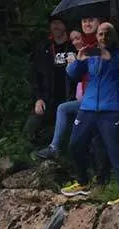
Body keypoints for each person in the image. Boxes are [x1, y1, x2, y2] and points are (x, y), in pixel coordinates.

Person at [60, 21, 119, 206]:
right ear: (97, 36)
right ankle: (83, 182)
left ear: (113, 36)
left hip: (111, 109)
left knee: (115, 151)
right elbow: (72, 74)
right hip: (88, 107)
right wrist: (78, 59)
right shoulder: (91, 52)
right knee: (75, 144)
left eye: (107, 34)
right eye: (100, 34)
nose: (103, 37)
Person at [25, 18, 75, 147]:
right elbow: (35, 75)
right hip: (48, 98)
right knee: (31, 128)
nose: (56, 26)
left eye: (59, 22)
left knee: (69, 135)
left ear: (65, 25)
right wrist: (38, 98)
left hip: (70, 98)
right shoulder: (44, 47)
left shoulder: (74, 45)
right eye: (53, 23)